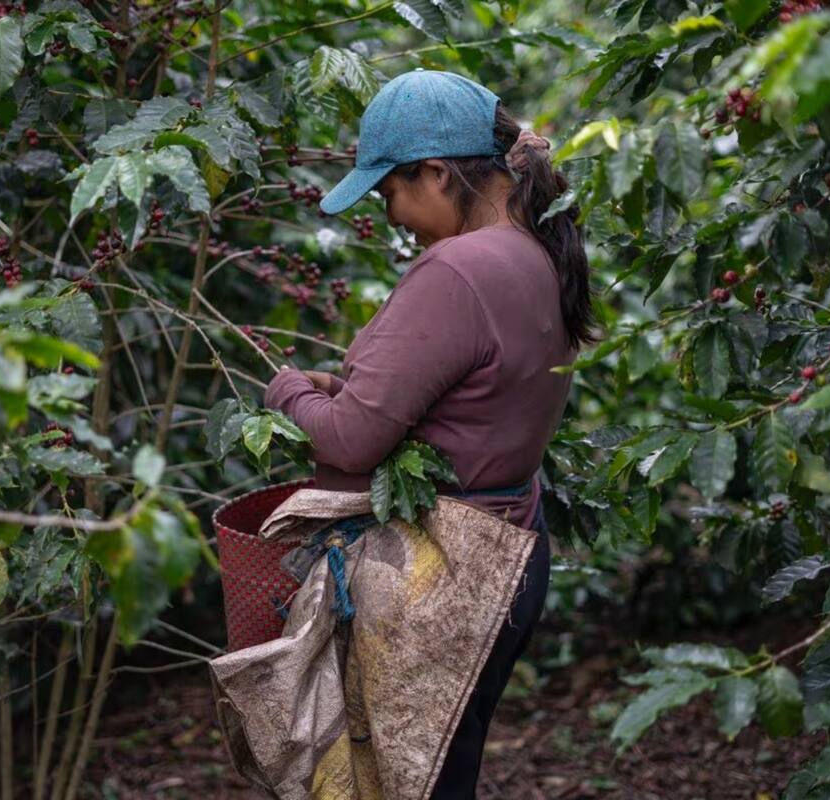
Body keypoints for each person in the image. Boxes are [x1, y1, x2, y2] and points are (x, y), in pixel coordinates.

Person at [262, 69, 595, 799]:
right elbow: (469, 396)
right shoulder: (535, 252)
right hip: (506, 555)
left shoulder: (458, 268)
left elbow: (349, 442)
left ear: (438, 173)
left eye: (390, 194)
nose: (391, 218)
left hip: (440, 575)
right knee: (444, 776)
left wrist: (287, 388)